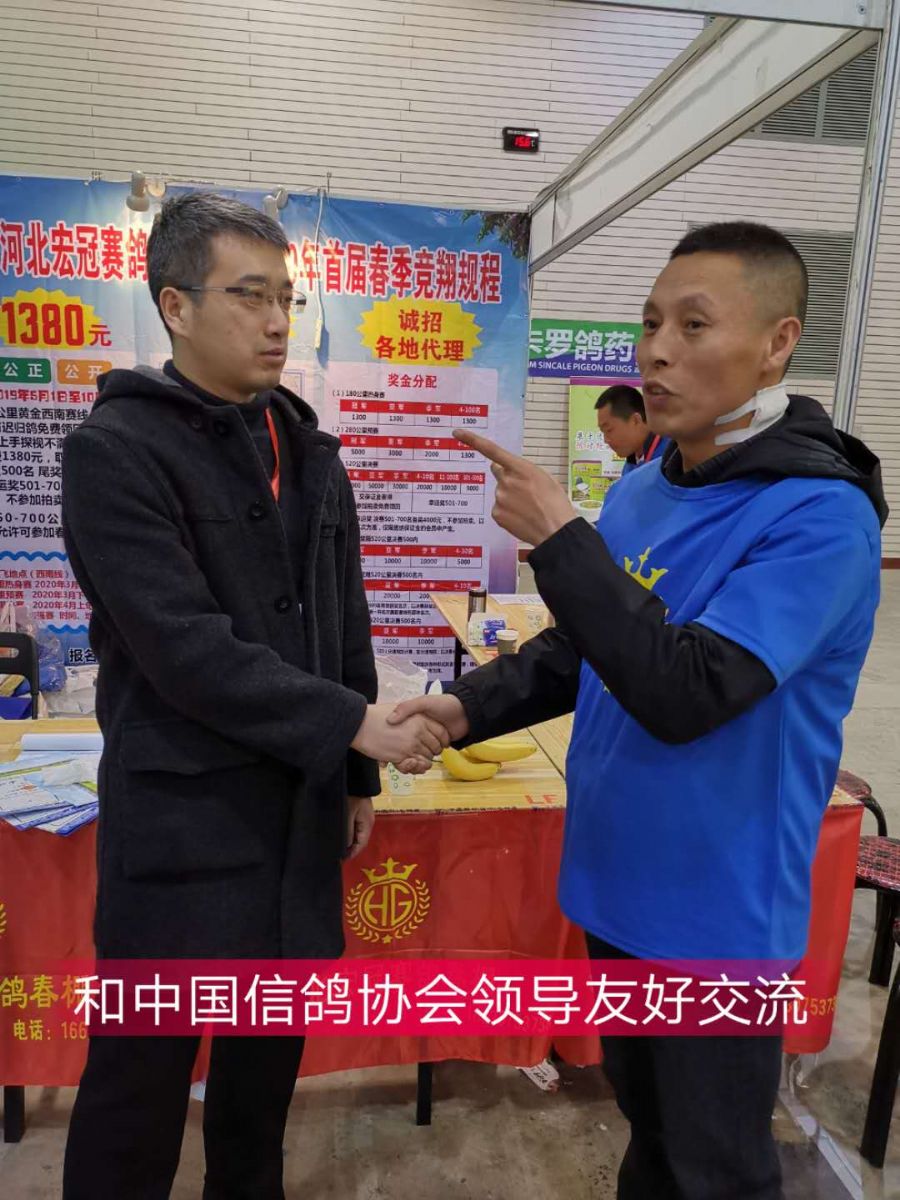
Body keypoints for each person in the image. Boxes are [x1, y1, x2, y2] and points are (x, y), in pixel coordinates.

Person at [390, 221, 886, 1199]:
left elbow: (686, 691)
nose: (656, 350)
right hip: (616, 886)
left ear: (778, 343)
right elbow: (584, 650)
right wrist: (457, 710)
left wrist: (562, 541)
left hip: (716, 911)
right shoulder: (646, 490)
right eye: (650, 321)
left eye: (694, 325)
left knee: (717, 1166)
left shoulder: (819, 516)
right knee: (650, 1132)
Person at [60, 192, 447, 1200]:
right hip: (181, 828)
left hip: (298, 818)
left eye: (287, 298)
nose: (278, 323)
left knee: (261, 1083)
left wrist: (355, 773)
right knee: (137, 1090)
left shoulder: (309, 450)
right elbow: (184, 648)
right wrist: (353, 725)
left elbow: (346, 622)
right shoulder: (115, 452)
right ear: (175, 305)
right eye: (249, 297)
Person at [594, 383, 669, 474]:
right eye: (603, 432)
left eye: (609, 430)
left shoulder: (673, 456)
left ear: (636, 420)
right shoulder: (630, 465)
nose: (606, 440)